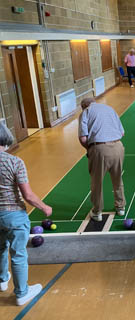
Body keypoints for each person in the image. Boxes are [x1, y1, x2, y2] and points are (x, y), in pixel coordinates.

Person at [0, 123, 52, 306]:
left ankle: (1, 280)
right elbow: (28, 195)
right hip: (14, 215)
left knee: (0, 247)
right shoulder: (14, 162)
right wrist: (44, 208)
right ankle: (22, 293)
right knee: (18, 254)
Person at [78, 98, 126, 222]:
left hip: (99, 149)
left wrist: (90, 150)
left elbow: (83, 138)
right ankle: (120, 208)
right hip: (118, 147)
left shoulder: (85, 112)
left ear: (83, 106)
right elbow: (122, 133)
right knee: (117, 178)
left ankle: (97, 211)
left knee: (97, 182)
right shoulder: (109, 109)